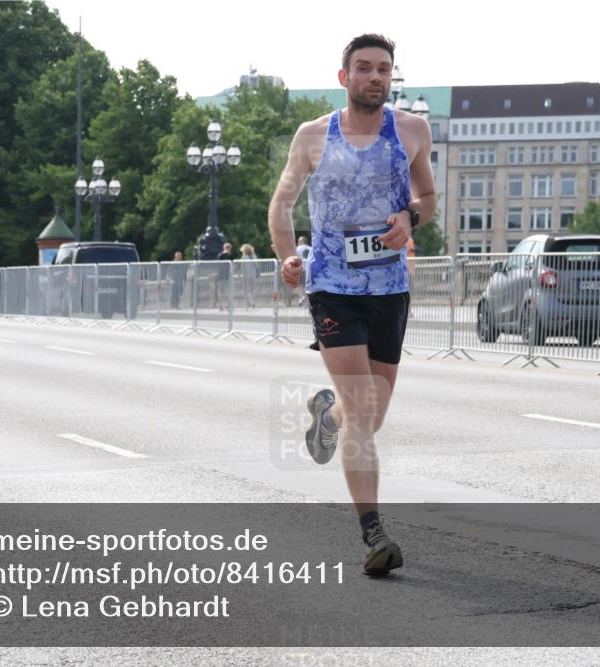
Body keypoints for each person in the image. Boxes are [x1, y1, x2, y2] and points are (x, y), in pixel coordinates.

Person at [267, 34, 436, 576]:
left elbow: (428, 198)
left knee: (370, 416)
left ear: (392, 77)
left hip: (389, 288)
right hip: (333, 286)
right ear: (344, 77)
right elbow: (283, 202)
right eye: (363, 68)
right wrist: (290, 258)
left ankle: (327, 414)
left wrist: (410, 217)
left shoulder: (411, 130)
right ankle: (374, 534)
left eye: (383, 69)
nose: (374, 77)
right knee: (364, 409)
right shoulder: (314, 135)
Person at [239, 243, 259, 309]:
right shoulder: (254, 256)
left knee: (246, 290)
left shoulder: (244, 257)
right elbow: (257, 266)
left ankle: (249, 302)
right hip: (253, 275)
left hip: (246, 275)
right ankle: (253, 301)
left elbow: (242, 267)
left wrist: (240, 274)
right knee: (253, 289)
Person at [215, 242, 233, 309]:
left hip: (228, 276)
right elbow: (219, 260)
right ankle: (221, 305)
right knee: (221, 291)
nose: (229, 250)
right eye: (228, 248)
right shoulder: (221, 255)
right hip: (221, 276)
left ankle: (228, 305)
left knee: (228, 291)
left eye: (229, 248)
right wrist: (225, 253)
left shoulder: (230, 256)